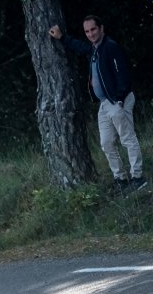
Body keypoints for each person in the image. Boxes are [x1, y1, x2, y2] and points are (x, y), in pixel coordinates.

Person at [49, 15, 147, 194]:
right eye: (87, 31)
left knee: (127, 139)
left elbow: (122, 74)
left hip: (118, 101)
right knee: (106, 143)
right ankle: (120, 179)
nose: (91, 34)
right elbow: (80, 47)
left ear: (101, 28)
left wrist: (119, 100)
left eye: (93, 29)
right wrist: (62, 38)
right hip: (104, 104)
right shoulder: (94, 50)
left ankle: (138, 178)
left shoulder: (110, 47)